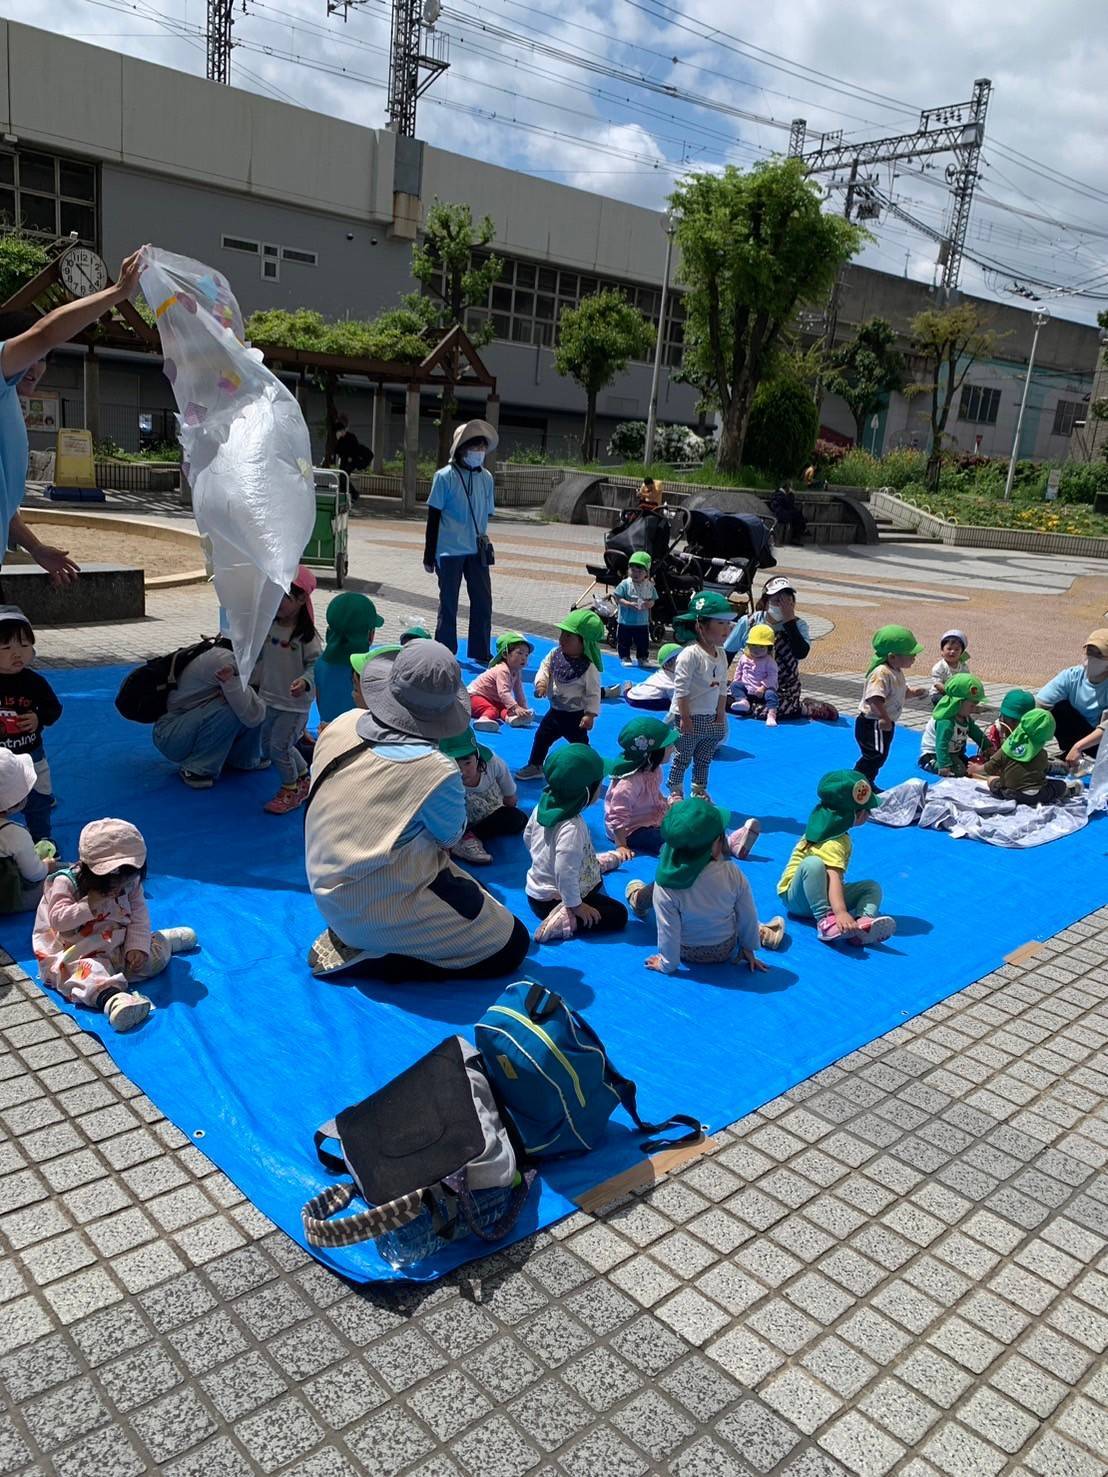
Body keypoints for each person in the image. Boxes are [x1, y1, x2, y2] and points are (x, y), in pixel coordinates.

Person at [304, 640, 528, 982]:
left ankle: (362, 933)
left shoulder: (343, 723)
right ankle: (379, 953)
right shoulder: (436, 769)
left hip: (326, 886)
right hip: (370, 903)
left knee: (471, 890)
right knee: (512, 943)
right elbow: (449, 837)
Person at [0, 248, 145, 593]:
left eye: (43, 359)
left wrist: (35, 548)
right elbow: (45, 333)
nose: (36, 367)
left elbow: (3, 503)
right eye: (30, 356)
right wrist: (118, 292)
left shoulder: (8, 401)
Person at [33, 819, 197, 1032]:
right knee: (86, 975)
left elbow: (139, 916)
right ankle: (113, 1000)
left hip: (118, 940)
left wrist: (136, 946)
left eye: (128, 881)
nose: (122, 888)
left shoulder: (131, 881)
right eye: (114, 883)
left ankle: (164, 941)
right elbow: (58, 920)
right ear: (89, 871)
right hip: (78, 950)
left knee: (149, 960)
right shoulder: (66, 883)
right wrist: (88, 905)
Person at [631, 800, 768, 975]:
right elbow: (747, 912)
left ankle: (636, 898)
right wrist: (748, 947)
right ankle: (763, 933)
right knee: (729, 909)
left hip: (687, 950)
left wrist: (666, 964)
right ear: (715, 845)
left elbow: (668, 930)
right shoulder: (731, 872)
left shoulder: (666, 887)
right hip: (726, 947)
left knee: (655, 895)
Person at [777, 770, 896, 947]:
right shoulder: (834, 841)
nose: (869, 814)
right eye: (868, 810)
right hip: (796, 899)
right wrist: (840, 912)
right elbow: (834, 876)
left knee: (871, 887)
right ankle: (825, 919)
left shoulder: (826, 827)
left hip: (822, 893)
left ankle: (863, 925)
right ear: (856, 814)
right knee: (812, 864)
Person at [524, 744, 628, 944]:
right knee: (618, 914)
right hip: (554, 900)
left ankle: (593, 864)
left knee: (590, 874)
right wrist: (576, 906)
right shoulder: (572, 827)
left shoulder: (542, 807)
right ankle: (566, 921)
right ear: (586, 792)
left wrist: (544, 860)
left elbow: (528, 837)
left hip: (536, 892)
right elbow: (564, 872)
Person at [424, 418, 497, 664]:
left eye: (482, 447)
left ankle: (480, 650)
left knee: (483, 601)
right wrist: (429, 555)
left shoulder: (486, 478)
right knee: (448, 604)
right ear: (461, 449)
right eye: (475, 446)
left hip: (477, 549)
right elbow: (433, 517)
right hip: (449, 551)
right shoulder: (444, 476)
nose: (480, 451)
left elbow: (487, 512)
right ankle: (445, 650)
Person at [253, 566, 322, 815]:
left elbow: (316, 664)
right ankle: (303, 775)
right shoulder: (270, 627)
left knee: (279, 747)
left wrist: (305, 681)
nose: (277, 602)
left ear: (302, 598)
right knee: (269, 745)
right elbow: (259, 658)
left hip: (294, 705)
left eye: (283, 596)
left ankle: (290, 788)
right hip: (270, 698)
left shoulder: (306, 637)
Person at [153, 644, 266, 790]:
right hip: (170, 734)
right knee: (237, 707)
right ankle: (198, 767)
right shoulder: (223, 663)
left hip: (184, 724)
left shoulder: (239, 660)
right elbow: (253, 715)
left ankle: (242, 758)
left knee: (249, 701)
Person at [724, 576, 829, 721]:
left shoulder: (799, 625)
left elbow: (801, 653)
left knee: (767, 711)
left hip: (782, 689)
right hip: (750, 685)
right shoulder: (749, 622)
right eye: (776, 601)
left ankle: (805, 708)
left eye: (787, 601)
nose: (781, 606)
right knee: (722, 700)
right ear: (765, 602)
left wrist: (789, 621)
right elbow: (727, 654)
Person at [516, 611, 604, 780]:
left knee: (580, 746)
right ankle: (535, 765)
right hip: (555, 712)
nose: (562, 639)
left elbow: (593, 693)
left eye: (569, 636)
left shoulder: (588, 668)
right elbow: (544, 667)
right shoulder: (555, 654)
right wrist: (541, 683)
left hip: (575, 717)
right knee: (541, 737)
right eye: (562, 634)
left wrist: (590, 714)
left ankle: (589, 766)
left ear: (584, 642)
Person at [0, 606, 61, 840]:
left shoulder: (34, 682)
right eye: (6, 648)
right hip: (1, 762)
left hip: (32, 755)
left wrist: (38, 717)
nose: (17, 653)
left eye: (24, 646)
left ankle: (42, 839)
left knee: (38, 801)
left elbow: (54, 709)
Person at [668, 590, 735, 802]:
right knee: (682, 756)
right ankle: (675, 790)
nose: (726, 629)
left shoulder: (721, 653)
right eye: (720, 623)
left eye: (728, 623)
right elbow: (681, 689)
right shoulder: (690, 654)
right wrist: (685, 717)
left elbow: (722, 686)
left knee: (705, 757)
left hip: (711, 716)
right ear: (700, 625)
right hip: (690, 716)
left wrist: (720, 713)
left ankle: (699, 789)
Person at [440, 724, 527, 865]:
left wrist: (509, 796)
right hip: (458, 817)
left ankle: (471, 836)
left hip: (489, 811)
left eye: (467, 763)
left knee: (518, 819)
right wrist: (444, 839)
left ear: (477, 756)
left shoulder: (492, 763)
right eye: (454, 765)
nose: (462, 771)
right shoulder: (441, 777)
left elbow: (508, 790)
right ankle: (457, 841)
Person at [855, 625, 926, 786]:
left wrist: (914, 693)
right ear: (892, 656)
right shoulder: (881, 673)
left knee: (880, 755)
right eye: (910, 654)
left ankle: (866, 783)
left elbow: (899, 693)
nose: (914, 657)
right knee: (874, 755)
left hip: (884, 722)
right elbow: (874, 698)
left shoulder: (895, 671)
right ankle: (859, 783)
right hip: (873, 723)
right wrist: (884, 717)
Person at [970, 708, 1083, 807]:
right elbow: (1042, 771)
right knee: (1059, 785)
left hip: (1010, 793)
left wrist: (976, 769)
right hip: (1038, 795)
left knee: (991, 780)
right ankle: (1070, 790)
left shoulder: (1007, 748)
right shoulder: (1042, 754)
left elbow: (990, 767)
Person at [604, 716, 680, 856]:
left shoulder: (654, 769)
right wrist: (621, 845)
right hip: (630, 829)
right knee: (662, 839)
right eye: (668, 745)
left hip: (650, 818)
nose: (673, 748)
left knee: (684, 818)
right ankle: (676, 852)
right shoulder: (628, 785)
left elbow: (653, 794)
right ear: (652, 754)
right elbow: (618, 815)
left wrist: (668, 803)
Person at [314, 593, 384, 729]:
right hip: (357, 735)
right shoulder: (370, 673)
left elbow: (320, 701)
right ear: (369, 635)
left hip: (327, 730)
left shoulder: (320, 664)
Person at [1036, 630, 1108, 761]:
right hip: (1079, 731)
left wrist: (1078, 747)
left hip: (1102, 741)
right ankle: (1069, 753)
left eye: (1099, 654)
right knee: (1058, 707)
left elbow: (1106, 727)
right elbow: (1039, 704)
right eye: (1089, 651)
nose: (1091, 657)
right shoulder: (1071, 676)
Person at [0, 750, 58, 912]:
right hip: (7, 898)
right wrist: (47, 866)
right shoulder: (14, 834)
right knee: (65, 876)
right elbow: (35, 874)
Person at [918, 673, 989, 777]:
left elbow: (976, 733)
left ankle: (955, 762)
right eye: (972, 706)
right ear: (958, 703)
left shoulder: (965, 717)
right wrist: (944, 765)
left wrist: (988, 746)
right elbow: (941, 744)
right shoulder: (946, 721)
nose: (974, 709)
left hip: (954, 753)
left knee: (970, 766)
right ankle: (928, 763)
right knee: (959, 771)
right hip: (935, 753)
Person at [468, 632, 535, 732]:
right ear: (505, 654)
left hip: (491, 699)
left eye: (526, 655)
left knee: (506, 707)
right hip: (473, 697)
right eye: (519, 653)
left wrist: (523, 708)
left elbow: (519, 692)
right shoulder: (502, 670)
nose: (524, 658)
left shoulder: (516, 671)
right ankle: (484, 719)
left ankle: (513, 719)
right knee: (493, 710)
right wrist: (516, 707)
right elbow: (503, 693)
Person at [730, 622, 780, 728]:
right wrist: (736, 680)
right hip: (747, 689)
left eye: (761, 647)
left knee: (771, 695)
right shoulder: (744, 658)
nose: (756, 650)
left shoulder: (769, 661)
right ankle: (743, 701)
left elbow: (773, 677)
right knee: (734, 685)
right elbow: (739, 670)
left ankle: (771, 714)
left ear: (769, 648)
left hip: (761, 692)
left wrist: (763, 687)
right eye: (753, 645)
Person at [613, 552, 656, 667]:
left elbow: (653, 600)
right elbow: (617, 597)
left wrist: (649, 604)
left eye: (640, 571)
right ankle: (625, 656)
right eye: (633, 570)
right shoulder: (625, 584)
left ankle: (642, 657)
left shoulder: (649, 585)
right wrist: (628, 604)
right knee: (624, 641)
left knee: (643, 642)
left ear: (646, 573)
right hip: (625, 621)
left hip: (642, 622)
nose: (636, 574)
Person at [624, 642, 681, 710]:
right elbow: (676, 700)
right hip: (646, 700)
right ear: (668, 664)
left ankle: (627, 690)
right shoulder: (670, 679)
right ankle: (627, 690)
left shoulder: (661, 673)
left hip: (633, 696)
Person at [984, 689, 1036, 755]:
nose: (1014, 725)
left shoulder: (1030, 733)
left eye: (1016, 721)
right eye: (1012, 721)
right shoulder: (997, 729)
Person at [928, 629, 971, 707]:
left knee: (969, 700)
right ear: (942, 651)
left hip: (957, 694)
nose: (952, 651)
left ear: (962, 652)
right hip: (940, 693)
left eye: (957, 649)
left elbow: (967, 680)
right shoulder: (939, 667)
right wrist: (951, 693)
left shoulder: (963, 666)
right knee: (943, 701)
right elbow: (937, 684)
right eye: (949, 649)